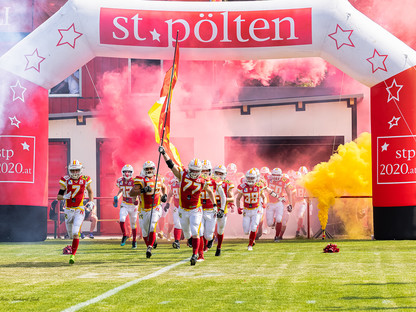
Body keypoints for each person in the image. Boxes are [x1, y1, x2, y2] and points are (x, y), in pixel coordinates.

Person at [159, 146, 217, 266]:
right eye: (193, 170)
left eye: (197, 171)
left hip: (196, 209)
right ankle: (193, 245)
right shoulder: (183, 174)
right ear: (189, 169)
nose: (195, 173)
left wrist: (215, 204)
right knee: (187, 233)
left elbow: (210, 191)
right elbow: (171, 165)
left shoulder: (203, 180)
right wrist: (164, 153)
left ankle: (195, 254)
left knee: (196, 231)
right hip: (182, 209)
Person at [57, 160, 94, 264]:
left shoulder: (85, 179)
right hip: (68, 210)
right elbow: (58, 196)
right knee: (70, 234)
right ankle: (71, 247)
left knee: (75, 232)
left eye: (77, 170)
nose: (75, 173)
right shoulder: (65, 180)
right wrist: (64, 196)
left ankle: (72, 255)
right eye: (72, 171)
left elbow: (90, 191)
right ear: (69, 171)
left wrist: (91, 202)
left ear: (81, 170)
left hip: (79, 209)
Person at [129, 160, 167, 258]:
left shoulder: (159, 178)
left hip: (156, 207)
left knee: (152, 225)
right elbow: (131, 193)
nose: (149, 170)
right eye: (147, 169)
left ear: (154, 169)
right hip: (143, 209)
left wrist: (164, 196)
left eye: (151, 168)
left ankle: (149, 247)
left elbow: (164, 187)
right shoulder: (140, 179)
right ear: (144, 170)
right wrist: (142, 190)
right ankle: (149, 245)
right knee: (145, 231)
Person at [197, 160, 226, 261]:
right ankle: (200, 255)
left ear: (210, 170)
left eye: (206, 170)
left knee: (208, 236)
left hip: (210, 209)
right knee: (199, 232)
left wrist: (221, 209)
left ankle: (212, 238)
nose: (204, 172)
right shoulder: (196, 179)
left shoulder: (215, 180)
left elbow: (223, 196)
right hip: (199, 209)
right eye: (202, 170)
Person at [235, 168, 267, 251]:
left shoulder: (259, 186)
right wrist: (238, 207)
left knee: (254, 227)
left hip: (256, 209)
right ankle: (251, 240)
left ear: (256, 178)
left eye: (252, 178)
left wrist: (264, 203)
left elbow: (264, 197)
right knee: (246, 231)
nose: (250, 179)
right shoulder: (242, 186)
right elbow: (238, 198)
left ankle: (250, 245)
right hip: (246, 210)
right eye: (249, 177)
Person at [113, 164, 139, 248]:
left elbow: (137, 192)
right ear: (122, 172)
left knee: (133, 224)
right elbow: (121, 190)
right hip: (124, 203)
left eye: (129, 171)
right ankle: (124, 235)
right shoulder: (120, 181)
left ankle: (134, 241)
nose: (127, 173)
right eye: (125, 171)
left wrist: (137, 200)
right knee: (121, 218)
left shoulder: (135, 181)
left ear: (132, 172)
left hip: (133, 205)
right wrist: (117, 197)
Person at [265, 168, 294, 242]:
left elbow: (289, 193)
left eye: (278, 175)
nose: (276, 176)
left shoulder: (285, 181)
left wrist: (290, 204)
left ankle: (277, 236)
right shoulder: (267, 178)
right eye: (274, 174)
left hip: (279, 203)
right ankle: (273, 227)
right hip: (269, 203)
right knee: (269, 223)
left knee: (279, 219)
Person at [212, 164, 234, 256]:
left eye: (220, 173)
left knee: (220, 230)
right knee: (209, 228)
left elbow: (232, 198)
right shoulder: (210, 182)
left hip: (222, 209)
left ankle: (219, 247)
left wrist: (222, 199)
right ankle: (207, 245)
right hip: (211, 208)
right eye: (216, 173)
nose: (218, 175)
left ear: (224, 174)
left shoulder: (227, 183)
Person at [165, 175, 182, 249]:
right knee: (177, 224)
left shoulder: (186, 183)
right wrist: (168, 203)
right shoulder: (173, 184)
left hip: (187, 207)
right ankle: (177, 241)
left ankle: (190, 239)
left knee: (188, 224)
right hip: (177, 207)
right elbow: (170, 194)